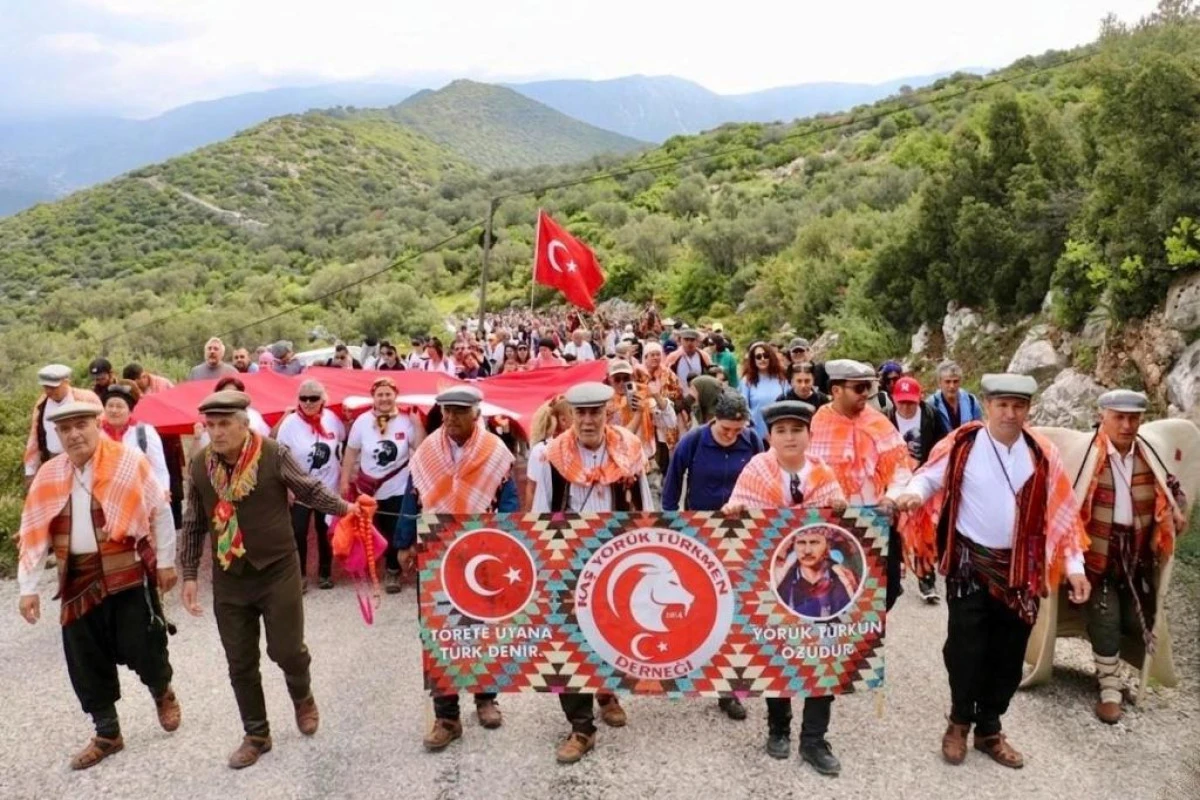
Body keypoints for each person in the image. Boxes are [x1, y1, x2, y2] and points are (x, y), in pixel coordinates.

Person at [892, 374, 1090, 770]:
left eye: (1018, 406)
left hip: (1022, 570)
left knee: (1009, 653)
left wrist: (1075, 568)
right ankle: (958, 721)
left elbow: (1064, 517)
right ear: (986, 406)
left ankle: (990, 728)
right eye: (1002, 405)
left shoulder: (1042, 454)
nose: (1010, 413)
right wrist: (912, 493)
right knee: (965, 649)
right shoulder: (963, 444)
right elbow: (930, 476)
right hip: (969, 563)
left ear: (1028, 410)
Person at [180, 391, 361, 769]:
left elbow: (308, 489)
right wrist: (189, 574)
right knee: (239, 661)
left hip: (278, 568)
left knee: (286, 649)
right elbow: (194, 521)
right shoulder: (199, 466)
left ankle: (302, 695)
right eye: (210, 425)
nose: (216, 432)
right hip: (230, 576)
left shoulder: (273, 453)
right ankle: (256, 734)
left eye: (225, 423)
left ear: (245, 424)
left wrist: (346, 509)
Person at [17, 401, 180, 769]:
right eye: (66, 429)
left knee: (145, 646)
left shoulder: (127, 462)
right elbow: (33, 531)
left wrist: (166, 562)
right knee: (85, 659)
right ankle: (108, 733)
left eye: (81, 425)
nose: (74, 434)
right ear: (57, 435)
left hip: (127, 572)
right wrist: (28, 587)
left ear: (96, 424)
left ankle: (162, 690)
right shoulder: (49, 474)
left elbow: (160, 509)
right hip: (77, 581)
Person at [529, 382, 653, 764]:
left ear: (607, 413)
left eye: (595, 412)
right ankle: (581, 727)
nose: (587, 420)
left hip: (617, 558)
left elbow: (645, 505)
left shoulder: (630, 451)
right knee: (568, 640)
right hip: (570, 560)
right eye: (580, 413)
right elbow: (540, 513)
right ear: (570, 415)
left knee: (614, 631)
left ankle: (607, 692)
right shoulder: (551, 456)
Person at [722, 401, 846, 770]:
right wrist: (734, 513)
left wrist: (841, 508)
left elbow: (844, 529)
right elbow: (736, 516)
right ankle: (778, 728)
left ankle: (814, 739)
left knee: (823, 653)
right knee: (777, 651)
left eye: (796, 430)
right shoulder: (755, 471)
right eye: (781, 431)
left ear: (809, 434)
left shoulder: (824, 474)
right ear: (769, 436)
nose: (789, 437)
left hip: (821, 587)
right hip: (772, 582)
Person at [394, 387, 519, 751]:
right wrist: (403, 543)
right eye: (446, 412)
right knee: (438, 630)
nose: (450, 418)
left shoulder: (496, 452)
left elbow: (508, 500)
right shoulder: (428, 451)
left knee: (484, 627)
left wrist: (509, 542)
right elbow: (411, 495)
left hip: (483, 552)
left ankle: (486, 698)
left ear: (476, 414)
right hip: (436, 551)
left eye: (458, 412)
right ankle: (446, 715)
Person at [1071, 390, 1188, 724]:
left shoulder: (1151, 456)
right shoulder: (1086, 456)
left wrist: (1176, 512)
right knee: (1104, 614)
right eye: (1119, 417)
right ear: (1103, 416)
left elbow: (1173, 492)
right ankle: (1109, 688)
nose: (1126, 425)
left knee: (1137, 622)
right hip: (1097, 555)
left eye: (1133, 418)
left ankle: (1118, 670)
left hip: (1136, 559)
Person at [339, 377, 424, 594]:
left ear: (395, 395)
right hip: (369, 490)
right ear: (373, 398)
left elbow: (421, 448)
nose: (384, 398)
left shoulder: (406, 420)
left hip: (398, 486)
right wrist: (344, 479)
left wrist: (417, 424)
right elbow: (350, 452)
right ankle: (382, 566)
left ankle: (393, 571)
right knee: (378, 531)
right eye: (380, 395)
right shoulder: (361, 422)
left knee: (397, 529)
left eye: (388, 394)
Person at [274, 380, 346, 592]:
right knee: (298, 532)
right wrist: (286, 487)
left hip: (327, 488)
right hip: (300, 489)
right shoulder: (290, 424)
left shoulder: (332, 419)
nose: (307, 402)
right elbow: (279, 459)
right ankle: (300, 575)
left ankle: (325, 572)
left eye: (313, 398)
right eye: (303, 398)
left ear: (323, 399)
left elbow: (343, 441)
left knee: (325, 531)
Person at [886, 375, 948, 602]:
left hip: (923, 481)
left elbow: (943, 445)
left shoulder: (931, 415)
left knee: (923, 534)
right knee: (897, 531)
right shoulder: (886, 419)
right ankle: (895, 576)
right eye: (902, 402)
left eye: (911, 402)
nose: (906, 406)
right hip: (895, 481)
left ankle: (927, 582)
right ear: (894, 399)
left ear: (919, 399)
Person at [24, 364, 102, 486]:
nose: (49, 391)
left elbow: (103, 428)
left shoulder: (86, 398)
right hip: (53, 459)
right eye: (46, 387)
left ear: (66, 382)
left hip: (86, 459)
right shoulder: (42, 404)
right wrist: (30, 470)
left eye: (53, 387)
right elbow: (34, 437)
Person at [100, 382, 171, 495]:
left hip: (141, 495)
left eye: (119, 406)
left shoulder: (144, 432)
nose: (114, 410)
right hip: (105, 495)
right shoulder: (97, 433)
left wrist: (163, 490)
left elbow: (159, 466)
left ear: (130, 410)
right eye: (110, 406)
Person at [739, 342, 789, 439]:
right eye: (758, 357)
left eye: (766, 356)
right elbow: (743, 406)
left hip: (779, 431)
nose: (762, 359)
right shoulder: (747, 381)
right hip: (756, 434)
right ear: (753, 360)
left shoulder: (781, 378)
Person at [930, 361, 982, 432]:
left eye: (955, 381)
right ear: (939, 383)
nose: (952, 386)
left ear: (960, 381)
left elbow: (980, 430)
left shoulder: (971, 401)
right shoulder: (932, 404)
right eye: (947, 382)